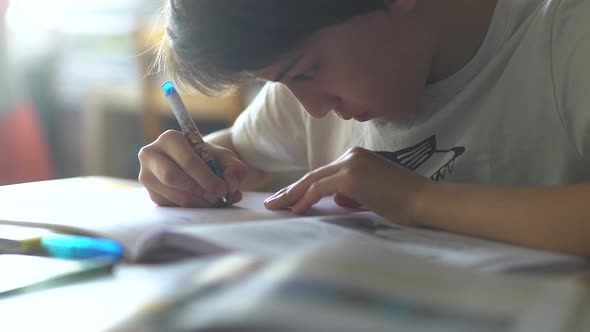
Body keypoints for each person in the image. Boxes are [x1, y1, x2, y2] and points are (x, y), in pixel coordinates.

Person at [138, 0, 590, 256]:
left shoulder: (567, 38)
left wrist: (418, 199)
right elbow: (239, 154)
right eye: (280, 82)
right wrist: (190, 169)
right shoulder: (308, 87)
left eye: (309, 69)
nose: (312, 110)